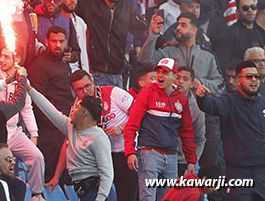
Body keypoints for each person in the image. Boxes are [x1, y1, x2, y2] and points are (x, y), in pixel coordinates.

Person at [124, 58, 197, 201]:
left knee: (169, 198)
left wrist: (191, 161)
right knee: (148, 197)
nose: (160, 75)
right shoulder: (147, 93)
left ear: (174, 76)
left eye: (165, 72)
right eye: (158, 71)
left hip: (171, 156)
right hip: (149, 153)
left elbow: (187, 132)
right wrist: (130, 152)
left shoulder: (181, 99)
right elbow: (132, 125)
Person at [29, 81, 115, 201]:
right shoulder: (71, 128)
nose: (73, 109)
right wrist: (29, 89)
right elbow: (50, 110)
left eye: (77, 107)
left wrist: (100, 198)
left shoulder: (98, 137)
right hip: (83, 191)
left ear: (84, 112)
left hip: (98, 193)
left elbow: (107, 172)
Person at [195, 60, 265, 201]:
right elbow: (211, 105)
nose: (254, 80)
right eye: (249, 76)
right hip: (238, 172)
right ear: (238, 80)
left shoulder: (262, 103)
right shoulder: (228, 101)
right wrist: (201, 97)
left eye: (257, 77)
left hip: (262, 172)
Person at [68, 70, 136, 201]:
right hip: (101, 159)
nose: (85, 91)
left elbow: (138, 114)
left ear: (93, 81)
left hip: (125, 153)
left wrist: (121, 128)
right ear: (73, 91)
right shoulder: (76, 109)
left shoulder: (113, 92)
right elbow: (70, 140)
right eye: (80, 89)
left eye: (87, 85)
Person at [0, 49, 44, 197]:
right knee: (6, 168)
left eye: (6, 57)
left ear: (17, 59)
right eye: (1, 55)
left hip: (14, 131)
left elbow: (27, 108)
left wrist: (34, 134)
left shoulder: (22, 78)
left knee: (37, 157)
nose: (2, 59)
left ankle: (36, 194)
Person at [29, 26, 75, 183]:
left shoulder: (62, 62)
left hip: (66, 123)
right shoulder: (39, 66)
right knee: (52, 176)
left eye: (61, 41)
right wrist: (51, 125)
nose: (58, 45)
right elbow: (36, 100)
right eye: (54, 41)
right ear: (46, 42)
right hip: (50, 131)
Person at [140, 13, 224, 94]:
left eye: (183, 25)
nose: (178, 28)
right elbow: (145, 61)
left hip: (198, 105)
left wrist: (201, 83)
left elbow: (221, 84)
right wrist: (153, 35)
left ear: (194, 30)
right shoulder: (168, 51)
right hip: (171, 103)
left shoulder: (208, 56)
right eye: (178, 25)